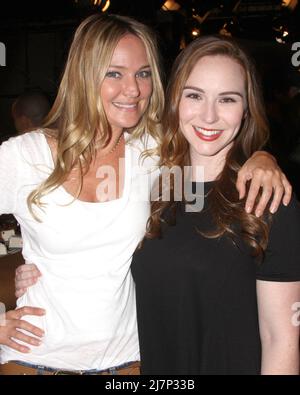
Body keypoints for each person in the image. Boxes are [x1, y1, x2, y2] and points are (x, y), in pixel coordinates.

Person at [0, 13, 292, 375]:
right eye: (114, 73)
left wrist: (263, 156)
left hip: (130, 363)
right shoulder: (24, 157)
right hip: (36, 356)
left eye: (143, 74)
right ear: (83, 75)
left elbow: (216, 136)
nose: (133, 89)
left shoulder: (154, 152)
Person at [130, 35, 300, 375]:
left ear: (247, 108)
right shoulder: (154, 188)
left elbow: (280, 338)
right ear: (175, 100)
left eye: (227, 99)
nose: (209, 116)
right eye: (194, 95)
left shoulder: (269, 200)